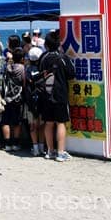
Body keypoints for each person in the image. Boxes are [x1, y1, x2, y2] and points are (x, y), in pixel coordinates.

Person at [39, 31, 76, 162]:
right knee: (61, 123)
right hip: (60, 94)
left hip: (46, 94)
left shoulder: (43, 57)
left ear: (46, 44)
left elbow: (39, 73)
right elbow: (71, 74)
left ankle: (50, 151)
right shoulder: (62, 58)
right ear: (59, 43)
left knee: (48, 123)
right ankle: (61, 152)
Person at [0, 47, 25, 151]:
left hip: (7, 96)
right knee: (17, 121)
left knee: (5, 120)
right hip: (18, 97)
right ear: (22, 58)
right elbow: (24, 81)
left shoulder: (8, 67)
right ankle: (15, 143)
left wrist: (9, 60)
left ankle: (7, 144)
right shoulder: (22, 68)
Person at [24, 46, 45, 156]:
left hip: (31, 101)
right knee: (42, 125)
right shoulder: (42, 69)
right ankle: (42, 147)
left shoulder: (27, 70)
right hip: (42, 99)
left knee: (33, 125)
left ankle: (35, 147)